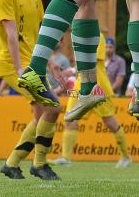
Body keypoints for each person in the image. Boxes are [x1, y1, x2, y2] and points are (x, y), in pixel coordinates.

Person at [0, 0, 62, 181]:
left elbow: (39, 33)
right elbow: (11, 33)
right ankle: (39, 164)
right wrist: (20, 67)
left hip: (33, 62)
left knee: (40, 114)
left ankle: (11, 165)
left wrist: (50, 61)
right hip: (13, 63)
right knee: (53, 108)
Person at [50, 33, 132, 168]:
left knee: (110, 122)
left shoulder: (97, 36)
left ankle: (126, 157)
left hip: (98, 84)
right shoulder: (78, 34)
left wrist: (70, 70)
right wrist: (71, 71)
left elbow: (91, 61)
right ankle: (65, 157)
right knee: (70, 118)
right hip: (80, 83)